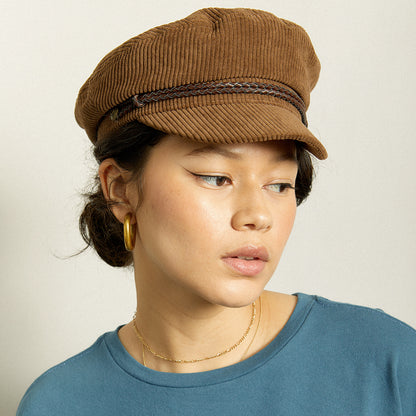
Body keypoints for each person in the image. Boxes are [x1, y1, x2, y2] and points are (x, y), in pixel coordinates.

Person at [17, 7, 416, 415]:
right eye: (215, 177)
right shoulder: (59, 403)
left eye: (280, 184)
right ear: (120, 189)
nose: (258, 215)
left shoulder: (388, 365)